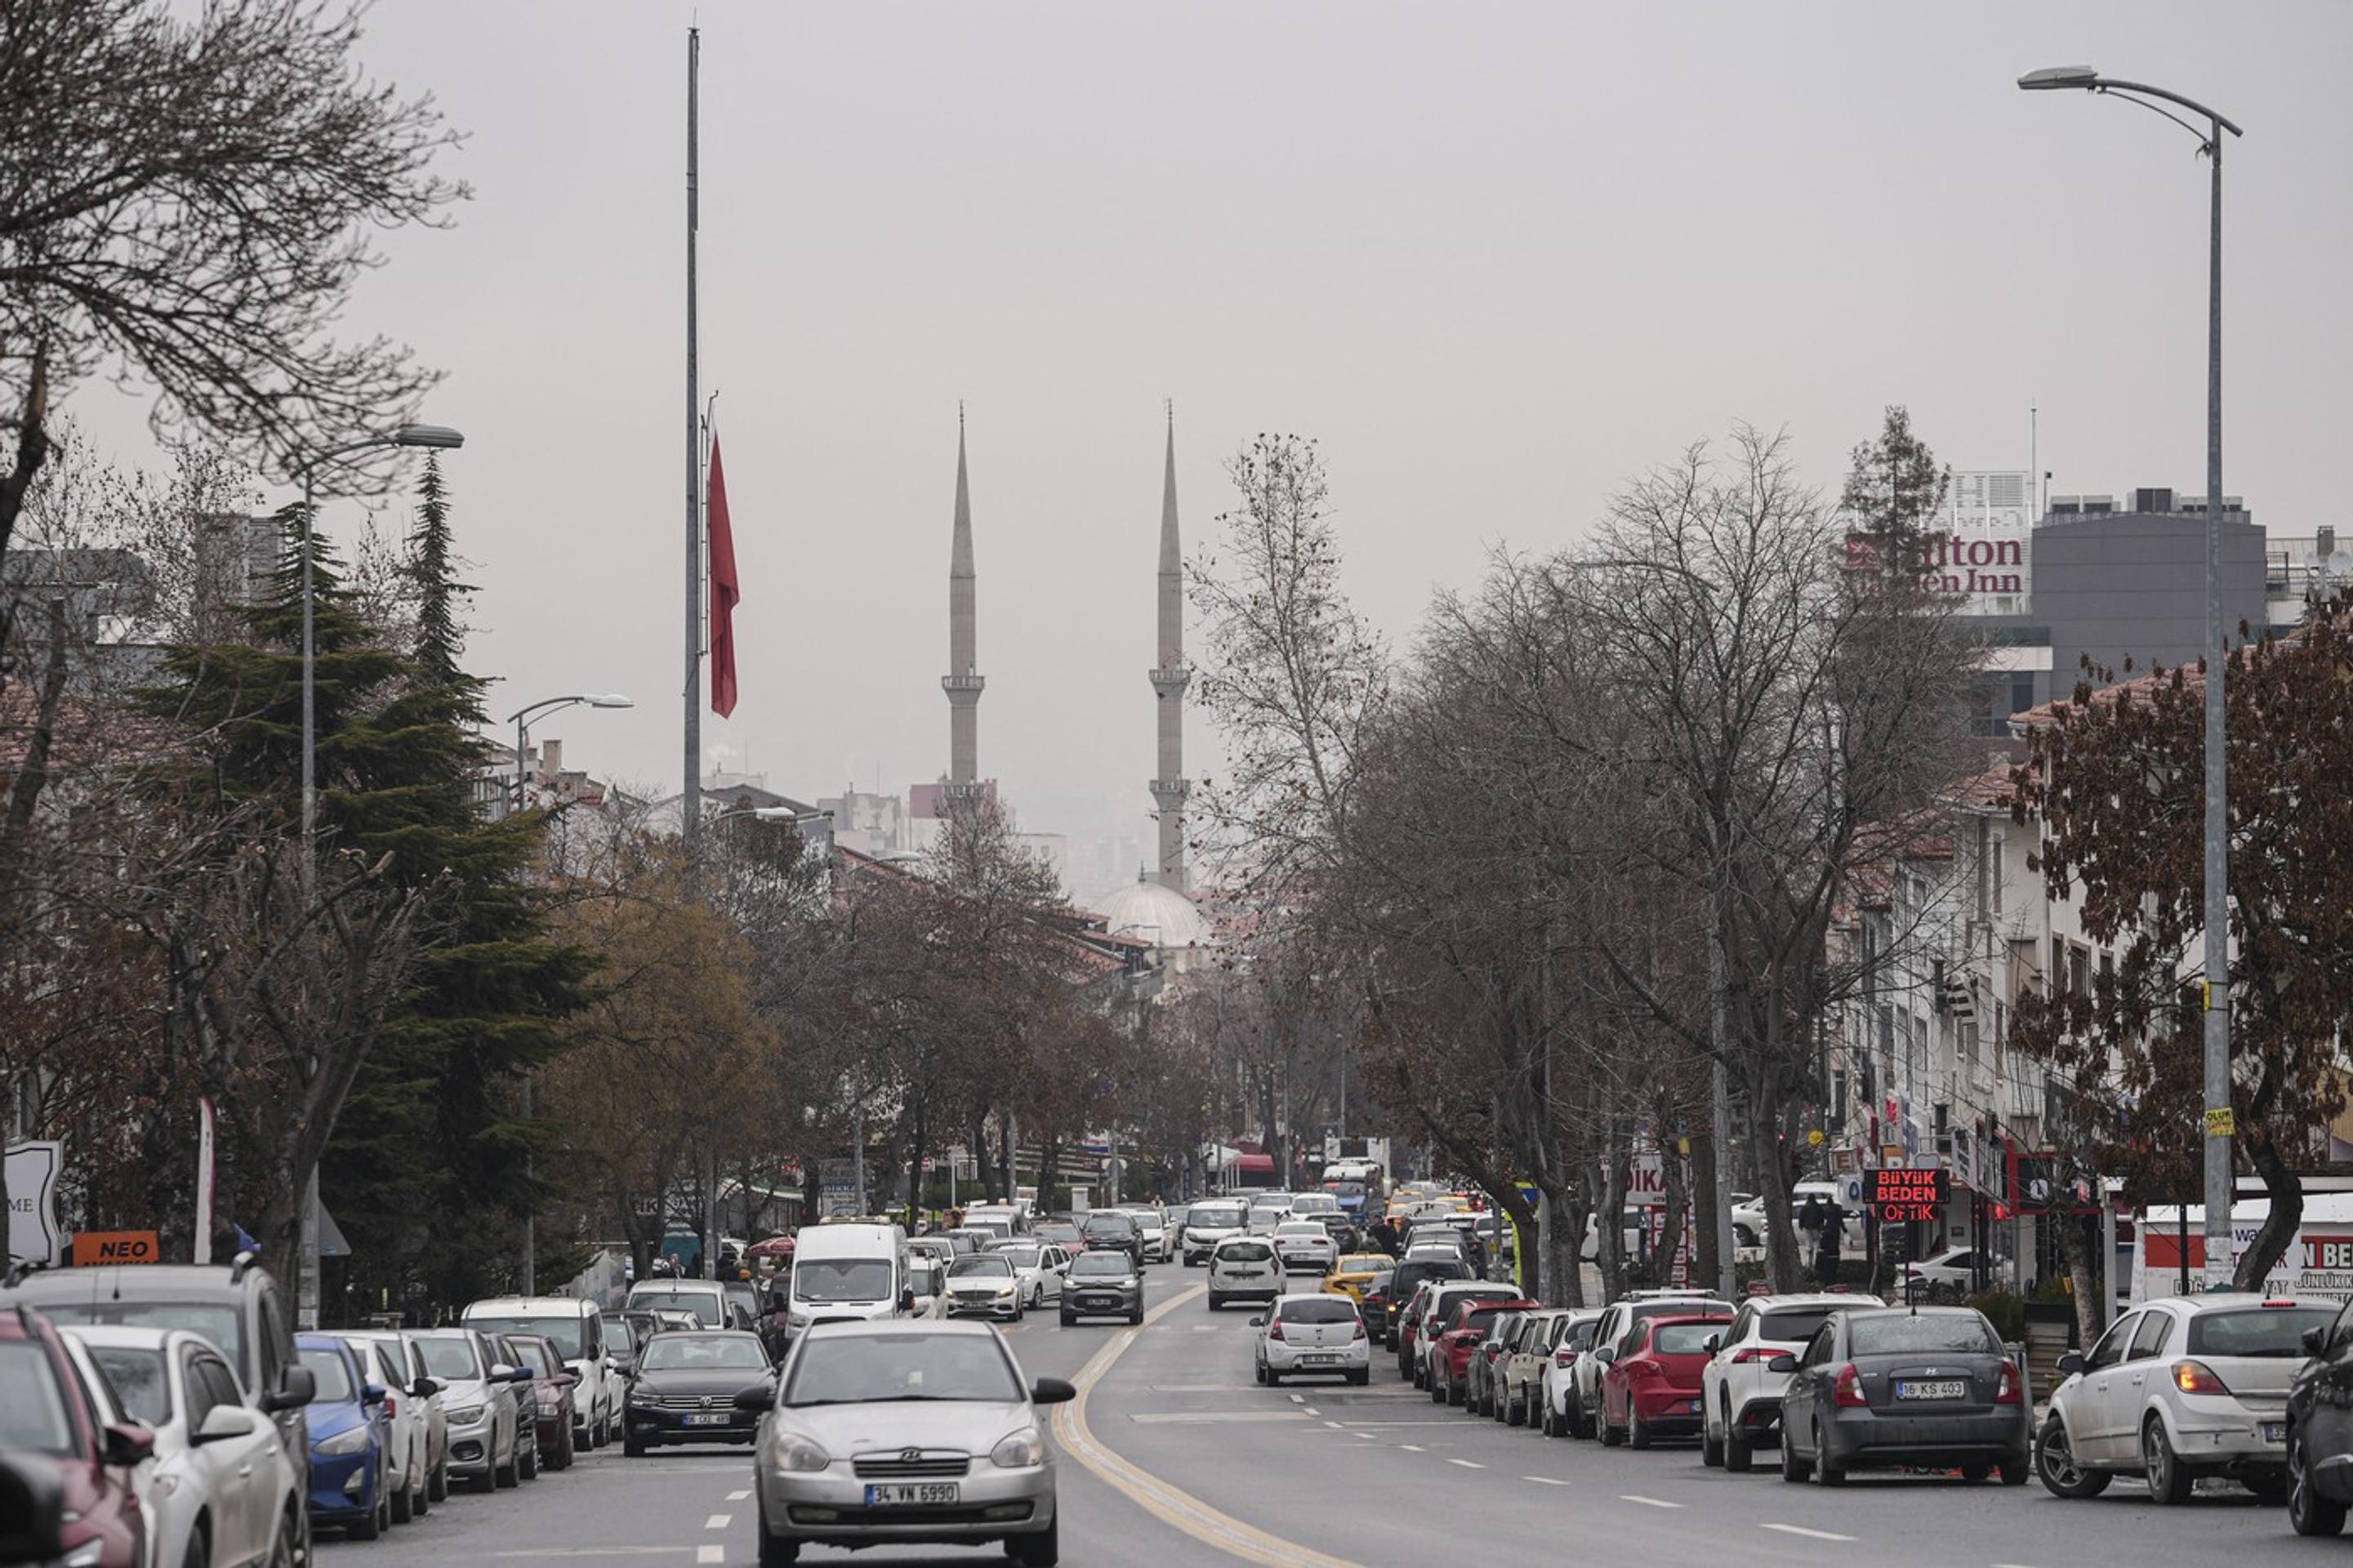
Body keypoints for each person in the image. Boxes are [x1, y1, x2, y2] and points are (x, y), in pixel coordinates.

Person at [1814, 1202, 1843, 1286]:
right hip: (1835, 1254)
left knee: (1827, 1271)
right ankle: (1833, 1282)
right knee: (1833, 1271)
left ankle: (1828, 1283)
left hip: (1827, 1255)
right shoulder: (1836, 1229)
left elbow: (1822, 1245)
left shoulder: (1825, 1233)